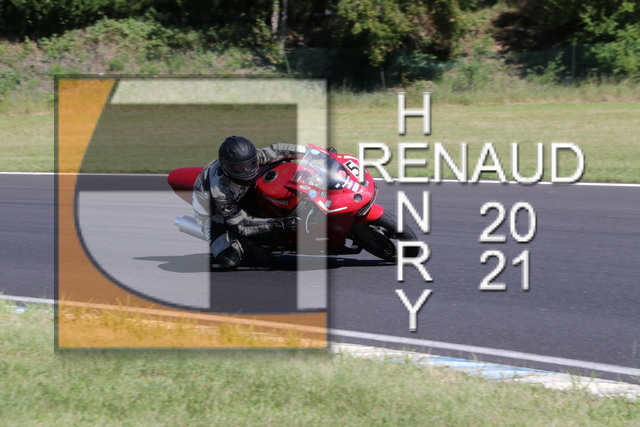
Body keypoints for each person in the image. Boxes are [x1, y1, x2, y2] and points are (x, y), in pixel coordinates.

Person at [193, 136, 306, 269]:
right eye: (241, 167)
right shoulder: (221, 190)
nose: (247, 170)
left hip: (241, 191)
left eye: (250, 164)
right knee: (229, 260)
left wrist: (315, 153)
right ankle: (245, 243)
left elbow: (279, 149)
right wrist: (280, 224)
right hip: (214, 213)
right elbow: (241, 224)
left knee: (279, 165)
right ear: (228, 167)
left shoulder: (249, 157)